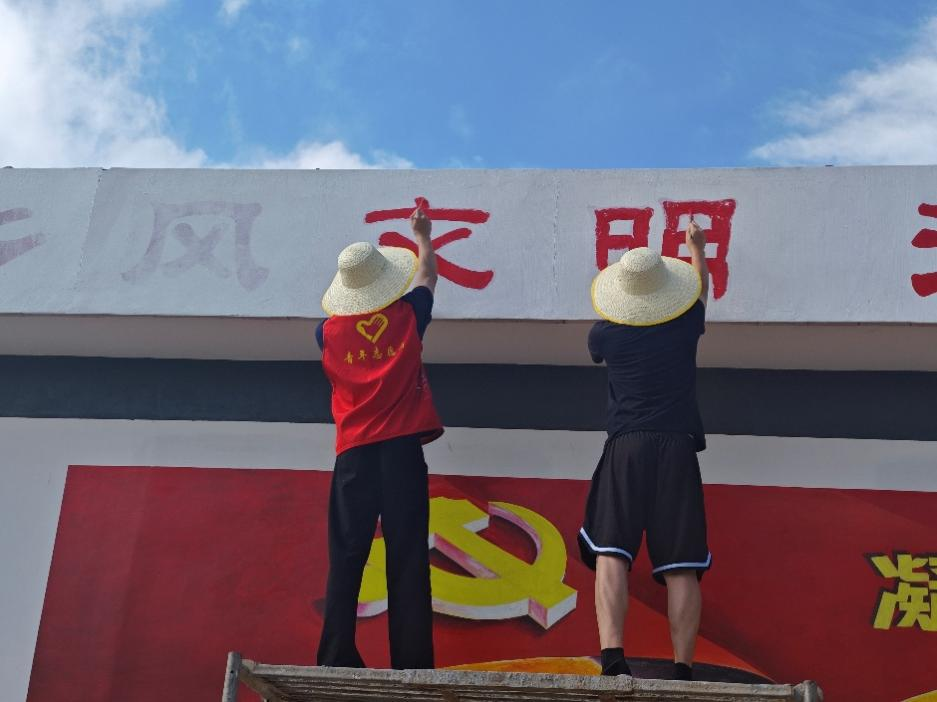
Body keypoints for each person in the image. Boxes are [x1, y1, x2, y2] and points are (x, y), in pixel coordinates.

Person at [578, 219, 711, 682]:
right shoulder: (686, 325)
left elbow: (600, 338)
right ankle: (683, 668)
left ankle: (613, 658)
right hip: (677, 447)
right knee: (681, 565)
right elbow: (700, 292)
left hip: (627, 446)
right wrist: (697, 250)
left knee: (612, 551)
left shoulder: (606, 335)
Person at [315, 206, 442, 670]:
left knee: (347, 557)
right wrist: (422, 236)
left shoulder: (325, 333)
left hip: (353, 455)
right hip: (402, 450)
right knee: (406, 556)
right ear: (383, 281)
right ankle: (412, 663)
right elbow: (427, 276)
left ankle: (335, 656)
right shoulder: (409, 315)